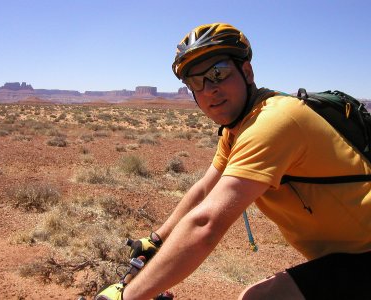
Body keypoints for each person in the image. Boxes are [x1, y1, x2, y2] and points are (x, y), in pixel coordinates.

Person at [96, 22, 371, 299]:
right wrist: (156, 240)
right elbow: (205, 190)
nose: (208, 89)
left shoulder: (274, 121)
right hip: (347, 256)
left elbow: (206, 224)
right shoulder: (235, 130)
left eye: (218, 73)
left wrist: (127, 296)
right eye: (195, 82)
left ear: (247, 71)